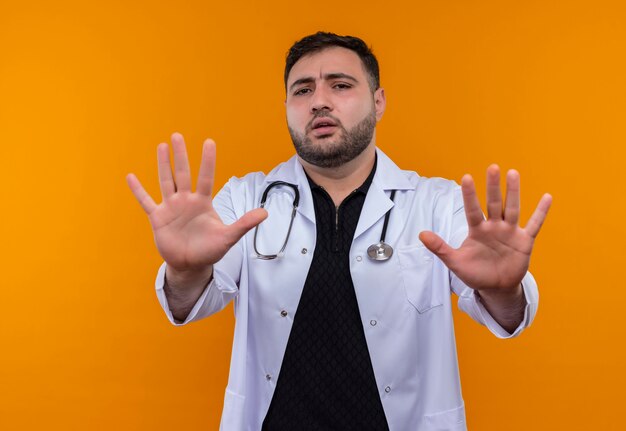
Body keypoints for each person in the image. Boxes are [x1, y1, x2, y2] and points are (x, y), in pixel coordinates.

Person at [127, 32, 552, 431]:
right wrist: (184, 271)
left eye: (341, 85)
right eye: (303, 90)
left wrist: (501, 290)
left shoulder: (435, 203)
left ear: (379, 101)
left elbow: (510, 315)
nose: (319, 102)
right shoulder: (245, 199)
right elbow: (190, 303)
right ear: (288, 106)